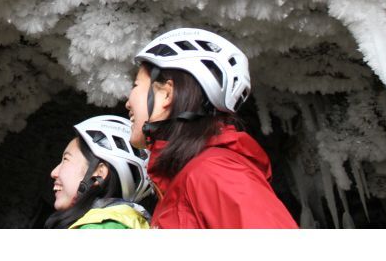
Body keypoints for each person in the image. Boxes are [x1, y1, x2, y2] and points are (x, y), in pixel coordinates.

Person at [126, 27, 298, 228]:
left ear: (167, 94)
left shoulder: (214, 172)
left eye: (136, 85)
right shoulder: (189, 179)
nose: (128, 102)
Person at [45, 115, 153, 229]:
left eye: (66, 159)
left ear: (99, 173)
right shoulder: (120, 223)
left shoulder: (102, 227)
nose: (54, 172)